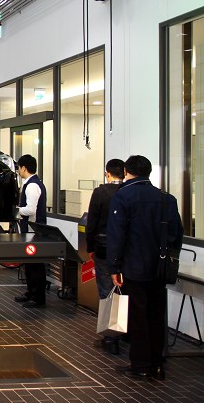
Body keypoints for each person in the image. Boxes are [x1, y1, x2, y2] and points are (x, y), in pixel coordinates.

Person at [106, 155, 183, 381]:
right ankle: (157, 364)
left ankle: (140, 365)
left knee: (137, 316)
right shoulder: (166, 199)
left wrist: (114, 266)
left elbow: (117, 235)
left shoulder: (123, 196)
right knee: (156, 315)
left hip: (134, 267)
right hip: (160, 268)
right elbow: (176, 234)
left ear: (126, 171)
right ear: (149, 172)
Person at [86, 158, 125, 355]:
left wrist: (90, 246)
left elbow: (92, 221)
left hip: (104, 248)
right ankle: (126, 332)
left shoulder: (100, 192)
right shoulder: (128, 191)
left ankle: (111, 339)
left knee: (107, 291)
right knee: (125, 292)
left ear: (107, 173)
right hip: (127, 250)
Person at [13, 154, 48, 308]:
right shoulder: (31, 183)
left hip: (34, 232)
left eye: (19, 168)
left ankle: (38, 297)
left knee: (35, 265)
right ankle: (30, 292)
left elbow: (30, 210)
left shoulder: (32, 186)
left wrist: (16, 210)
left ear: (24, 168)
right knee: (29, 264)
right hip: (30, 231)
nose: (18, 171)